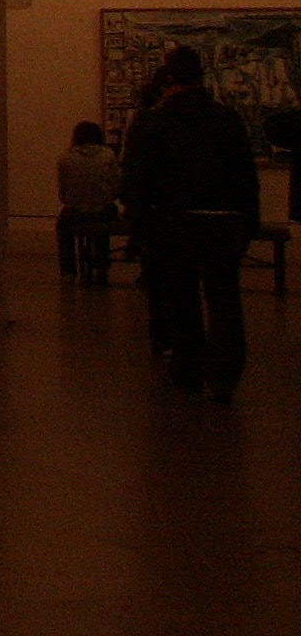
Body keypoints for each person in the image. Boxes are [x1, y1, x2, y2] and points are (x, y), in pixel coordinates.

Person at [121, 45, 259, 402]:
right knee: (224, 299)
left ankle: (189, 368)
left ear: (168, 79)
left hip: (174, 222)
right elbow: (246, 177)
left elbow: (137, 181)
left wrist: (140, 226)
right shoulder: (227, 119)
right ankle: (225, 373)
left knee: (181, 299)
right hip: (224, 222)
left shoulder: (153, 122)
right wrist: (249, 221)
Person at [55, 120, 123, 282]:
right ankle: (101, 265)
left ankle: (68, 271)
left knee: (63, 228)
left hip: (75, 212)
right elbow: (116, 186)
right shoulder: (108, 155)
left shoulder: (65, 158)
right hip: (102, 211)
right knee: (103, 224)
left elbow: (63, 193)